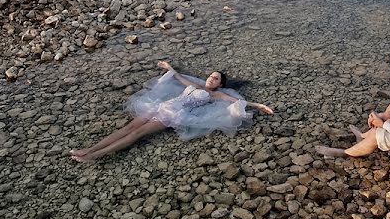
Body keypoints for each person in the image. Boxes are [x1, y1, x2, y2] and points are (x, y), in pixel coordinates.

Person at [70, 60, 274, 162]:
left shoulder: (215, 95)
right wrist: (168, 66)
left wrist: (258, 106)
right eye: (211, 76)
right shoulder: (195, 85)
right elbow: (178, 77)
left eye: (216, 79)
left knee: (135, 134)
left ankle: (94, 156)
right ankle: (89, 149)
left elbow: (237, 101)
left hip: (172, 115)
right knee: (127, 127)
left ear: (220, 85)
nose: (212, 78)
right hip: (161, 107)